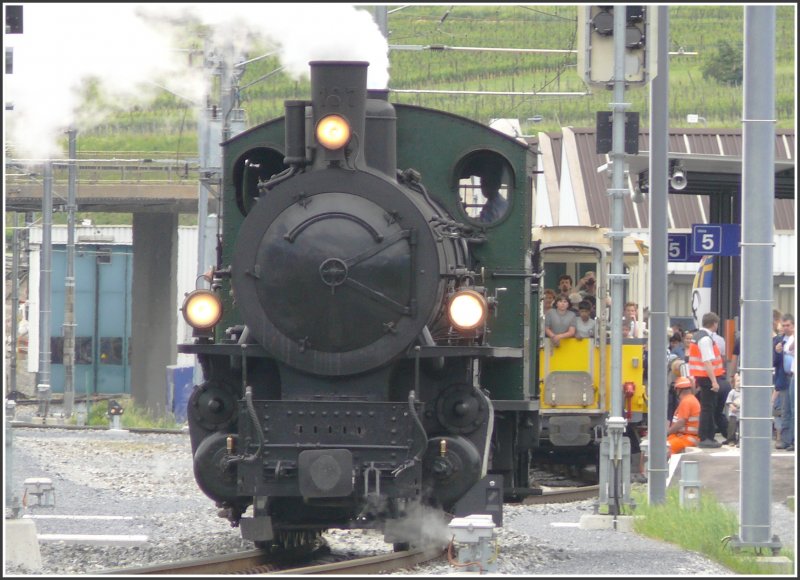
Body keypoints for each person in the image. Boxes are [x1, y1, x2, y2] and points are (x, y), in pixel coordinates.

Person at [688, 311, 725, 448]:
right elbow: (707, 361)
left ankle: (707, 437)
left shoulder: (697, 336)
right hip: (707, 377)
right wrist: (714, 381)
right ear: (714, 324)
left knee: (707, 407)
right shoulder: (705, 339)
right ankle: (706, 437)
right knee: (708, 408)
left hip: (701, 376)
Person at [773, 313, 795, 451]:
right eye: (784, 325)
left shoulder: (793, 338)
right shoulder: (779, 340)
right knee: (785, 410)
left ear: (793, 325)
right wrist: (777, 351)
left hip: (793, 375)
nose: (786, 328)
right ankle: (786, 439)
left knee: (793, 409)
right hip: (784, 376)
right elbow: (774, 361)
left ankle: (793, 439)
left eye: (788, 325)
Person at [667, 376, 701, 456]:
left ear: (679, 390)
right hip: (686, 436)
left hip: (687, 438)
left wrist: (667, 432)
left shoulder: (686, 402)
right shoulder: (691, 399)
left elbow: (681, 422)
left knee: (664, 448)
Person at [724, 372, 742, 446]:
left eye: (741, 381)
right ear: (734, 383)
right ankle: (731, 440)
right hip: (733, 414)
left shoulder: (745, 393)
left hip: (741, 414)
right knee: (732, 427)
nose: (739, 383)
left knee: (741, 428)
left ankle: (740, 440)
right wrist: (732, 407)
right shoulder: (732, 392)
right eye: (738, 381)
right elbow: (728, 402)